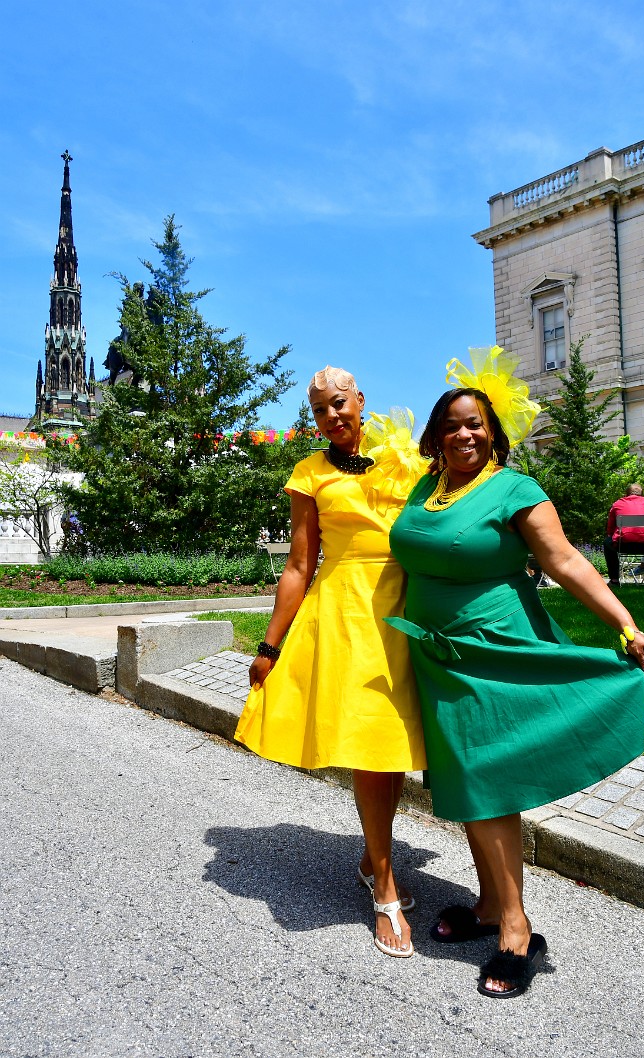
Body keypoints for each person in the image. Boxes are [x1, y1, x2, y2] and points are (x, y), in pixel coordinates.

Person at [385, 347, 644, 999]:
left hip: (495, 649)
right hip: (438, 656)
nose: (464, 433)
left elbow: (567, 561)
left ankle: (515, 929)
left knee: (487, 783)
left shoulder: (514, 489)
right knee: (460, 780)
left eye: (476, 423)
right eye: (452, 423)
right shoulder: (427, 488)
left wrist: (625, 624)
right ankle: (486, 903)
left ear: (494, 433)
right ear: (435, 435)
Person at [235, 367, 427, 959]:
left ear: (360, 400)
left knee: (391, 746)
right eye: (320, 410)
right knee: (369, 746)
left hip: (408, 608)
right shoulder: (309, 473)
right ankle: (386, 887)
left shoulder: (404, 455)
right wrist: (269, 645)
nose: (332, 416)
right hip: (344, 612)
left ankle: (374, 856)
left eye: (339, 403)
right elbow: (299, 564)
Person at [603, 484, 644, 586]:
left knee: (607, 543)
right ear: (642, 494)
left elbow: (610, 527)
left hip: (623, 545)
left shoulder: (618, 504)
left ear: (626, 494)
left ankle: (615, 579)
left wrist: (611, 535)